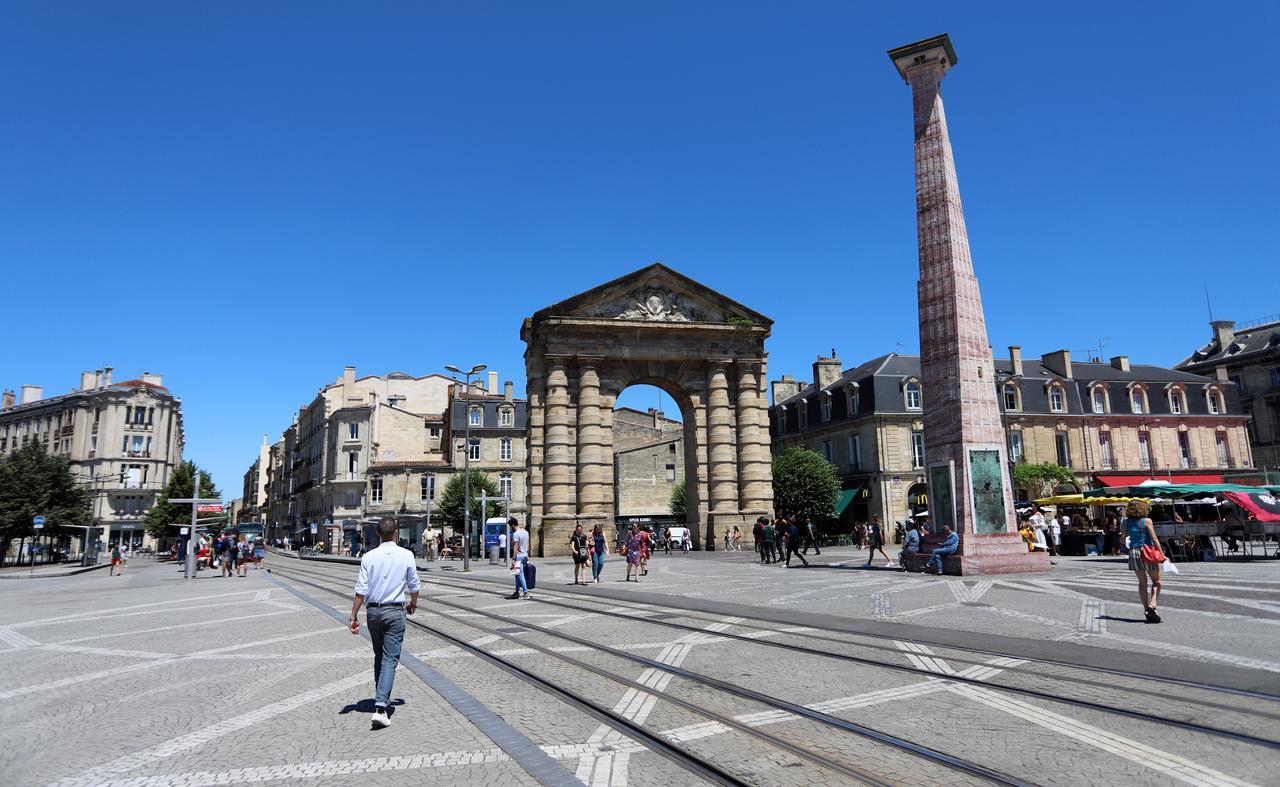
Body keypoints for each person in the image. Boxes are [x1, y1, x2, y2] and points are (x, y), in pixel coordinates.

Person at [349, 516, 421, 730]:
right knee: (390, 659)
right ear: (396, 532)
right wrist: (413, 604)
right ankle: (380, 708)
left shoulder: (368, 557)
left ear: (378, 534)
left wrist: (353, 616)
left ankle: (382, 697)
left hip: (373, 612)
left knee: (380, 656)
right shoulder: (407, 555)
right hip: (394, 611)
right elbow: (414, 585)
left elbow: (361, 590)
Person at [1124, 499, 1165, 623]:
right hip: (1147, 552)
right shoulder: (1147, 521)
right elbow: (1155, 539)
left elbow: (1122, 538)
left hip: (1134, 553)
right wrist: (1163, 554)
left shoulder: (1126, 522)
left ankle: (1146, 609)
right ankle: (1153, 605)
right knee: (1157, 581)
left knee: (1142, 583)